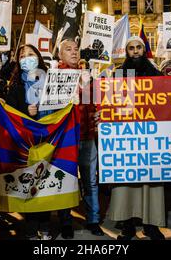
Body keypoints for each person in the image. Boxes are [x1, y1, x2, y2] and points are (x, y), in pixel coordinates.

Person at [108, 36, 166, 240]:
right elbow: (109, 102)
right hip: (126, 137)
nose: (135, 51)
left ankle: (151, 226)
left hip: (150, 136)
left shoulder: (156, 74)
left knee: (152, 184)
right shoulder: (118, 74)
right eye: (131, 48)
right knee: (125, 185)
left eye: (138, 47)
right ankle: (127, 226)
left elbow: (168, 100)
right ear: (127, 51)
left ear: (144, 49)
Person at [6, 44, 54, 240]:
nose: (27, 58)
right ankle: (32, 227)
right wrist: (27, 113)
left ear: (39, 57)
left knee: (47, 185)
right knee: (29, 185)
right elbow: (10, 113)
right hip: (27, 145)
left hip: (49, 141)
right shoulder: (15, 85)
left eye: (31, 54)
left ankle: (45, 225)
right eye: (22, 56)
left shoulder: (51, 80)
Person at [57, 38, 104, 238]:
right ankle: (66, 222)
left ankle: (93, 220)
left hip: (87, 135)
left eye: (76, 49)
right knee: (66, 181)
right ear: (60, 55)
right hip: (65, 138)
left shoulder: (88, 76)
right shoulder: (55, 76)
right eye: (68, 49)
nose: (74, 52)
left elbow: (97, 100)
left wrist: (100, 112)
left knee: (90, 180)